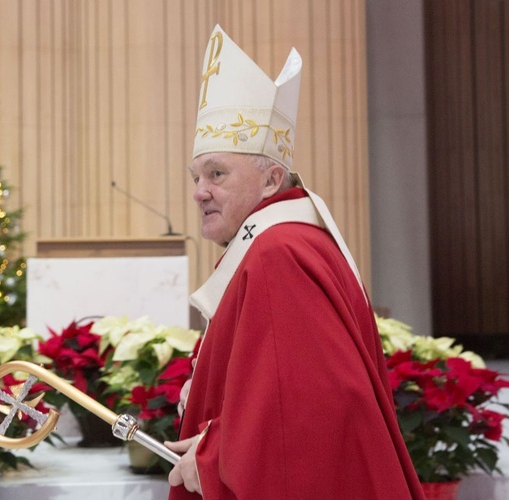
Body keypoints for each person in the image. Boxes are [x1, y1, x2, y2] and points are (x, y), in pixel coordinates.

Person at [164, 25, 424, 499]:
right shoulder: (287, 241)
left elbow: (315, 411)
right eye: (196, 176)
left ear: (272, 180)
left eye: (217, 173)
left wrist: (218, 457)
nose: (199, 191)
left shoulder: (278, 254)